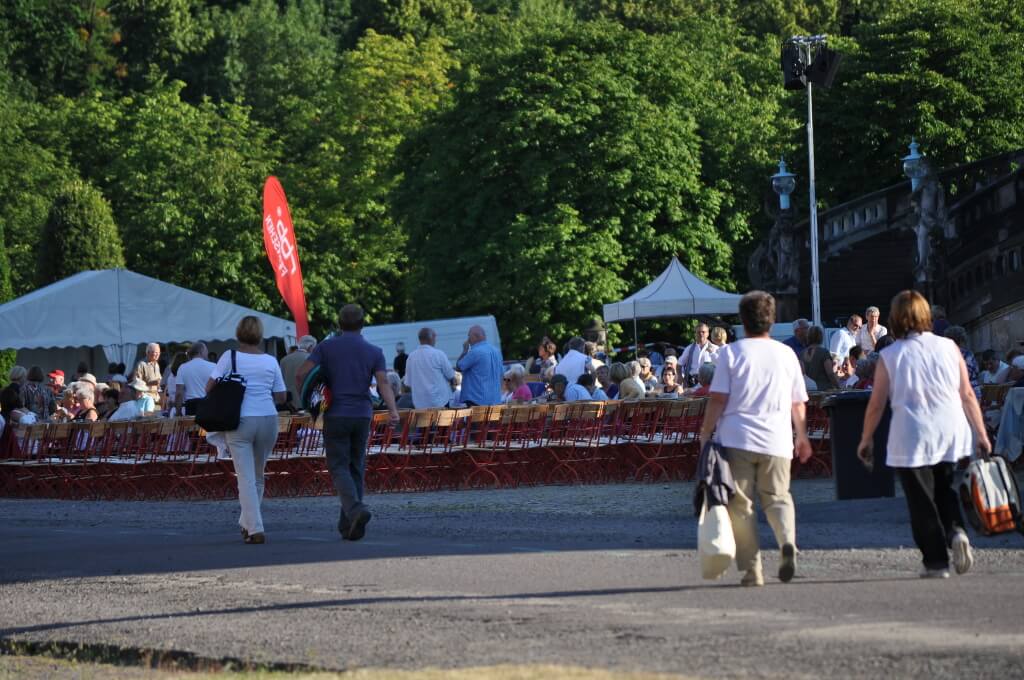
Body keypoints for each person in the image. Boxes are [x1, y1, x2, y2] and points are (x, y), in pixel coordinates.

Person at [857, 290, 991, 579]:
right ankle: (956, 530)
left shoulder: (890, 355)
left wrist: (866, 438)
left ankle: (935, 561)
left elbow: (876, 404)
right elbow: (967, 393)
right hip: (950, 428)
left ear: (895, 319)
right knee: (945, 488)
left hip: (912, 432)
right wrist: (980, 433)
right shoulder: (949, 347)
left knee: (921, 500)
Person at [699, 290, 811, 587]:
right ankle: (787, 541)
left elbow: (718, 398)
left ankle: (753, 569)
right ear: (771, 320)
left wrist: (705, 432)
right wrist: (802, 436)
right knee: (778, 497)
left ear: (743, 321)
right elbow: (798, 403)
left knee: (741, 506)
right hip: (778, 438)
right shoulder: (787, 354)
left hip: (738, 437)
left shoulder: (731, 353)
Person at [296, 304, 399, 542]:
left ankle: (354, 510)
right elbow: (384, 383)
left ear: (339, 324)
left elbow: (302, 373)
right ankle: (348, 526)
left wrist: (309, 401)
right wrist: (393, 410)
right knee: (356, 466)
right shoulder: (374, 351)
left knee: (338, 466)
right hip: (362, 413)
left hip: (336, 413)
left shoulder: (326, 347)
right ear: (362, 324)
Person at [206, 316, 286, 545]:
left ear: (238, 333)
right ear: (260, 334)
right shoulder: (271, 361)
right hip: (268, 418)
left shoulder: (229, 357)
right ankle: (247, 522)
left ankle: (255, 528)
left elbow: (209, 386)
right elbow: (281, 396)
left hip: (239, 419)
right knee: (258, 475)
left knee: (245, 477)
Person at [404, 327, 455, 409]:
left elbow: (408, 383)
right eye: (435, 337)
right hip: (440, 402)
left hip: (420, 405)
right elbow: (451, 375)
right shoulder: (438, 354)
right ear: (431, 338)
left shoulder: (411, 357)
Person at [456, 325, 504, 406]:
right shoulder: (497, 351)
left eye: (469, 336)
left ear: (476, 336)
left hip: (477, 400)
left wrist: (464, 351)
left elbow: (459, 367)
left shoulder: (475, 352)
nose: (468, 340)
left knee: (476, 419)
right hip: (495, 400)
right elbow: (501, 374)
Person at [175, 342, 217, 416]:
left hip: (191, 406)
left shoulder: (183, 367)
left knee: (191, 427)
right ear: (201, 351)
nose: (207, 353)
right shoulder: (214, 366)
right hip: (208, 405)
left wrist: (178, 412)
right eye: (206, 351)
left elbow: (179, 393)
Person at [944, 326, 981, 399]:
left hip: (952, 393)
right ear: (962, 339)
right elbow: (976, 371)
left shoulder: (944, 355)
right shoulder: (968, 355)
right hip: (972, 391)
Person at [280, 335, 317, 408]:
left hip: (289, 404)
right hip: (306, 402)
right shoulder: (311, 360)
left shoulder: (283, 360)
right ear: (310, 346)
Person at [801, 326, 839, 391]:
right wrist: (838, 387)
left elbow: (802, 373)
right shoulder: (824, 352)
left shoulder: (802, 353)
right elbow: (830, 373)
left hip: (808, 390)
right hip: (824, 391)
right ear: (821, 337)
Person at [133, 343, 163, 407]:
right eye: (155, 352)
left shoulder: (156, 365)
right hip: (146, 399)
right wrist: (151, 383)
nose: (158, 354)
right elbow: (137, 383)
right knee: (148, 416)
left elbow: (158, 381)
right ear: (148, 352)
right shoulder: (141, 364)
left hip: (156, 399)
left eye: (159, 352)